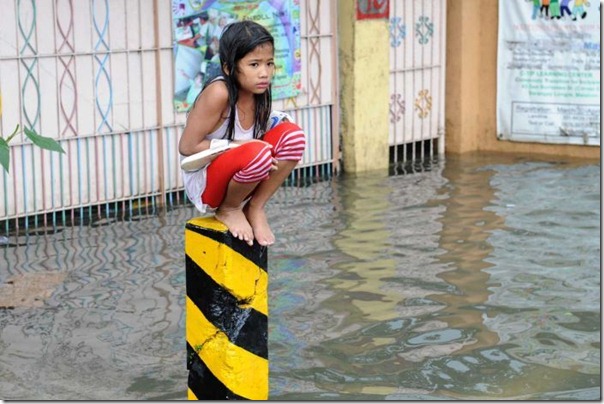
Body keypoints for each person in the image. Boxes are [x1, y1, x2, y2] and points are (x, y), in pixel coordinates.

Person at [178, 20, 306, 247]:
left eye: (269, 63)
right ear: (229, 68)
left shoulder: (258, 93)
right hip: (209, 184)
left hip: (245, 172)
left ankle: (255, 207)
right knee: (257, 151)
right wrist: (236, 146)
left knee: (294, 137)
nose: (264, 73)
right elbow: (187, 147)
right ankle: (229, 209)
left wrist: (256, 143)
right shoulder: (219, 92)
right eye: (254, 65)